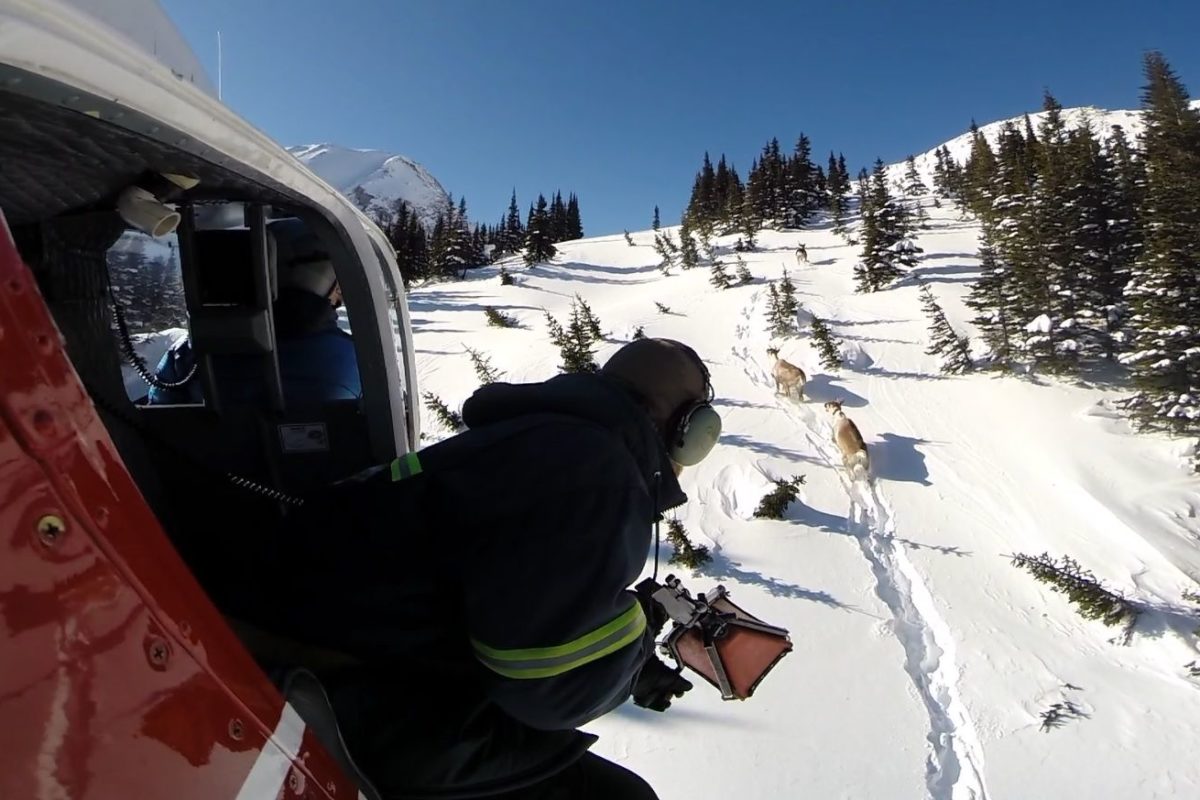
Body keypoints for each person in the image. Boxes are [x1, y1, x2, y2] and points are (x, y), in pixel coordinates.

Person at [224, 337, 722, 799]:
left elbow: (512, 611)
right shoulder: (597, 472)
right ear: (686, 429)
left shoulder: (550, 441)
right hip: (339, 686)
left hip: (323, 645)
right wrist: (634, 649)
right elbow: (548, 688)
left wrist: (630, 667)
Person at [148, 218, 360, 405]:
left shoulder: (190, 351)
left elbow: (157, 411)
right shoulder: (357, 357)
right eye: (337, 283)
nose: (340, 293)